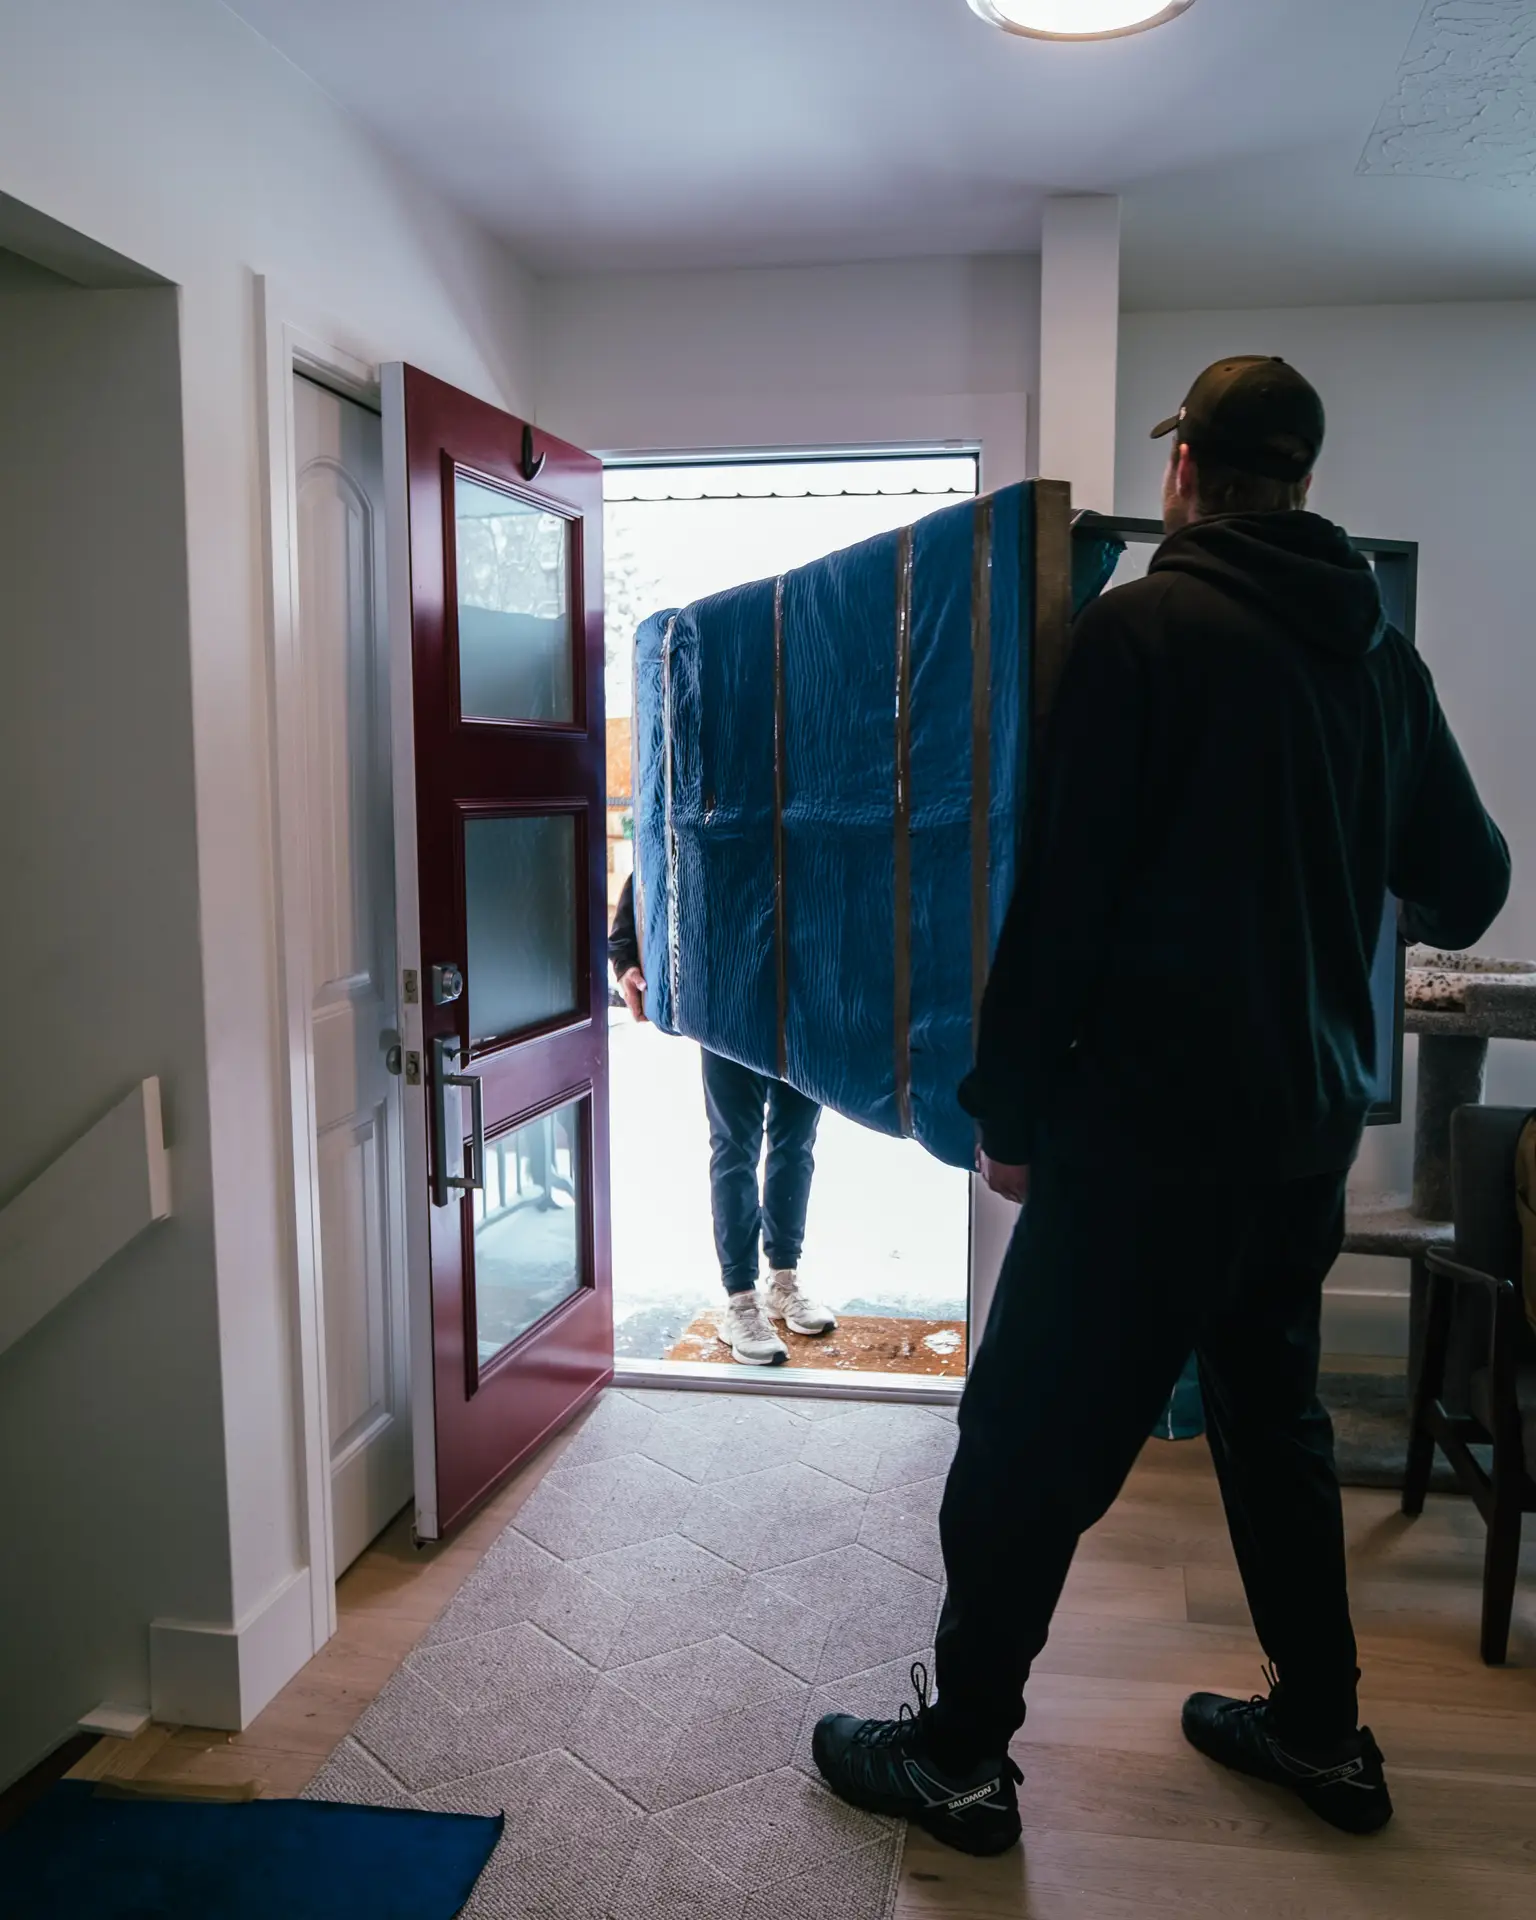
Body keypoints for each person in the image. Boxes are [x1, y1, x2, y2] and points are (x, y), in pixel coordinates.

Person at [813, 357, 1511, 1854]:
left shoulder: (1141, 635)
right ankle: (1322, 1732)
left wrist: (1005, 1111)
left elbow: (1059, 907)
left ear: (1186, 470)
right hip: (1299, 1143)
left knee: (1027, 1447)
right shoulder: (1380, 657)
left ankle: (956, 1758)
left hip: (1142, 1150)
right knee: (1274, 1428)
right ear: (1303, 482)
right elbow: (1471, 881)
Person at [609, 872, 837, 1364]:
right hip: (728, 1011)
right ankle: (740, 1301)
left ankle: (783, 1279)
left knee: (795, 1145)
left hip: (803, 1008)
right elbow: (645, 884)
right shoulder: (707, 819)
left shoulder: (796, 808)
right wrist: (627, 965)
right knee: (735, 1148)